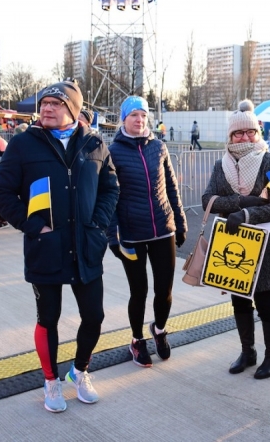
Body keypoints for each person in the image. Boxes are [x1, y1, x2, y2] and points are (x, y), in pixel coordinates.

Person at [0, 80, 119, 413]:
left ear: (73, 110)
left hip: (86, 245)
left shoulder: (94, 144)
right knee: (48, 317)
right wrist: (34, 225)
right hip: (45, 246)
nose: (47, 108)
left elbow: (111, 188)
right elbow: (1, 193)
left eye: (56, 103)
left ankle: (79, 371)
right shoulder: (22, 144)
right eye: (44, 103)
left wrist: (97, 224)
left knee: (94, 315)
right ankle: (51, 380)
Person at [201, 100, 270, 379]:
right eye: (239, 133)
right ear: (230, 136)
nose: (245, 138)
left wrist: (246, 213)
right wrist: (240, 200)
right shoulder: (220, 163)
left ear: (258, 133)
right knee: (239, 299)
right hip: (233, 242)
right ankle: (247, 351)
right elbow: (207, 201)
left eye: (250, 132)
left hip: (263, 241)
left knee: (266, 301)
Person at [107, 95, 187, 368]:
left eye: (143, 115)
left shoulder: (159, 148)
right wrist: (112, 236)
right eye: (133, 116)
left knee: (164, 291)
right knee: (138, 291)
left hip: (163, 229)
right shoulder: (113, 151)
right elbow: (108, 195)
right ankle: (137, 339)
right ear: (124, 119)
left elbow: (172, 188)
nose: (139, 120)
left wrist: (181, 221)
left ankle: (160, 329)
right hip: (131, 233)